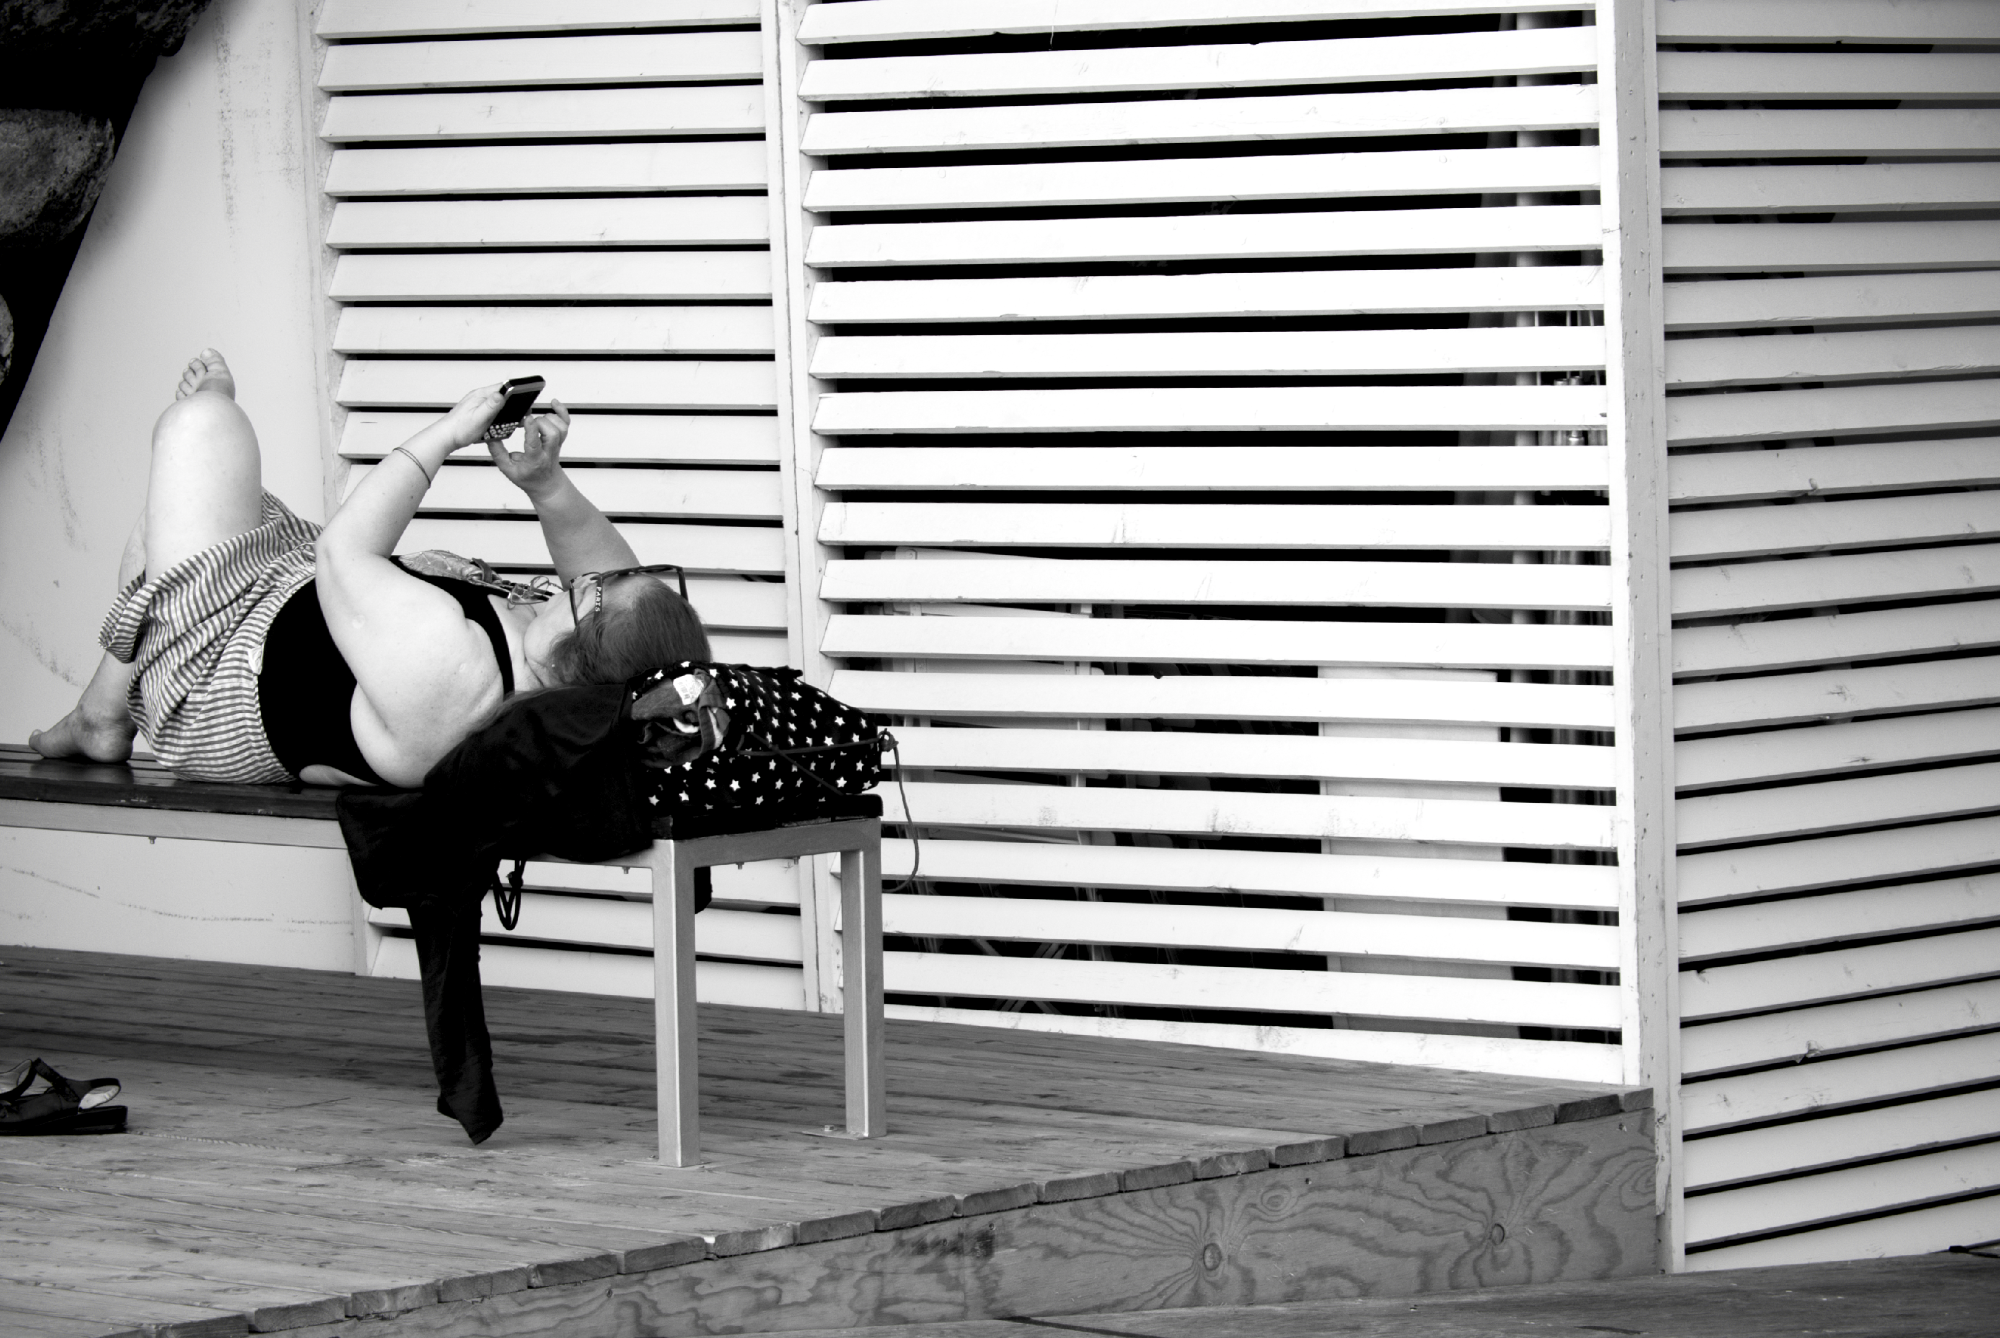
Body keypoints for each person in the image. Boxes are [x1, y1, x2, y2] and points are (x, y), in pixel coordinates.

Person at [29, 350, 708, 788]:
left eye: (591, 590)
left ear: (575, 654)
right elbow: (615, 590)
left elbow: (344, 552)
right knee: (176, 502)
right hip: (280, 594)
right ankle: (99, 714)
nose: (588, 577)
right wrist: (545, 483)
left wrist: (447, 434)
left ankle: (102, 713)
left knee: (197, 429)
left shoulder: (458, 680)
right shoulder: (572, 676)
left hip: (217, 675)